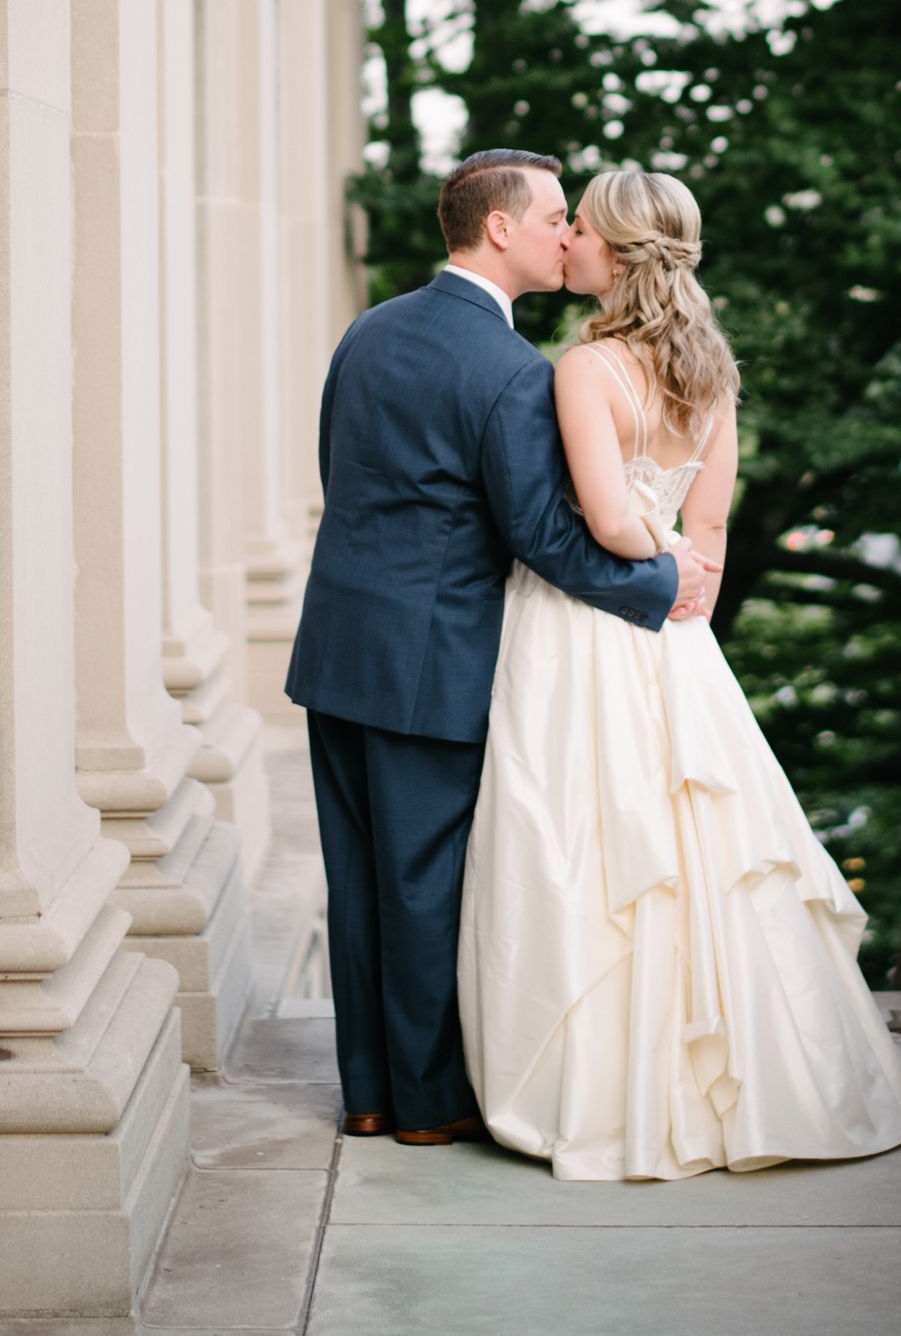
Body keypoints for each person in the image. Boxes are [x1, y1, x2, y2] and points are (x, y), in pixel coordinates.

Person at [457, 167, 901, 1179]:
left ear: (615, 257)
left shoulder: (581, 368)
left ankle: (602, 1084)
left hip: (584, 622)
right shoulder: (710, 368)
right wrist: (687, 579)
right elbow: (705, 525)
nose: (566, 238)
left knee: (587, 835)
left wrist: (651, 557)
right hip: (676, 633)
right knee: (692, 836)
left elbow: (602, 516)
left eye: (578, 226)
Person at [284, 150, 715, 1145]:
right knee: (424, 879)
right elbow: (544, 534)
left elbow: (342, 476)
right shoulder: (513, 372)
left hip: (337, 645)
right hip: (431, 659)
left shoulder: (367, 330)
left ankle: (367, 1090)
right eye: (557, 216)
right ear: (501, 230)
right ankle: (428, 1104)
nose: (569, 233)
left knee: (356, 877)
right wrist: (662, 582)